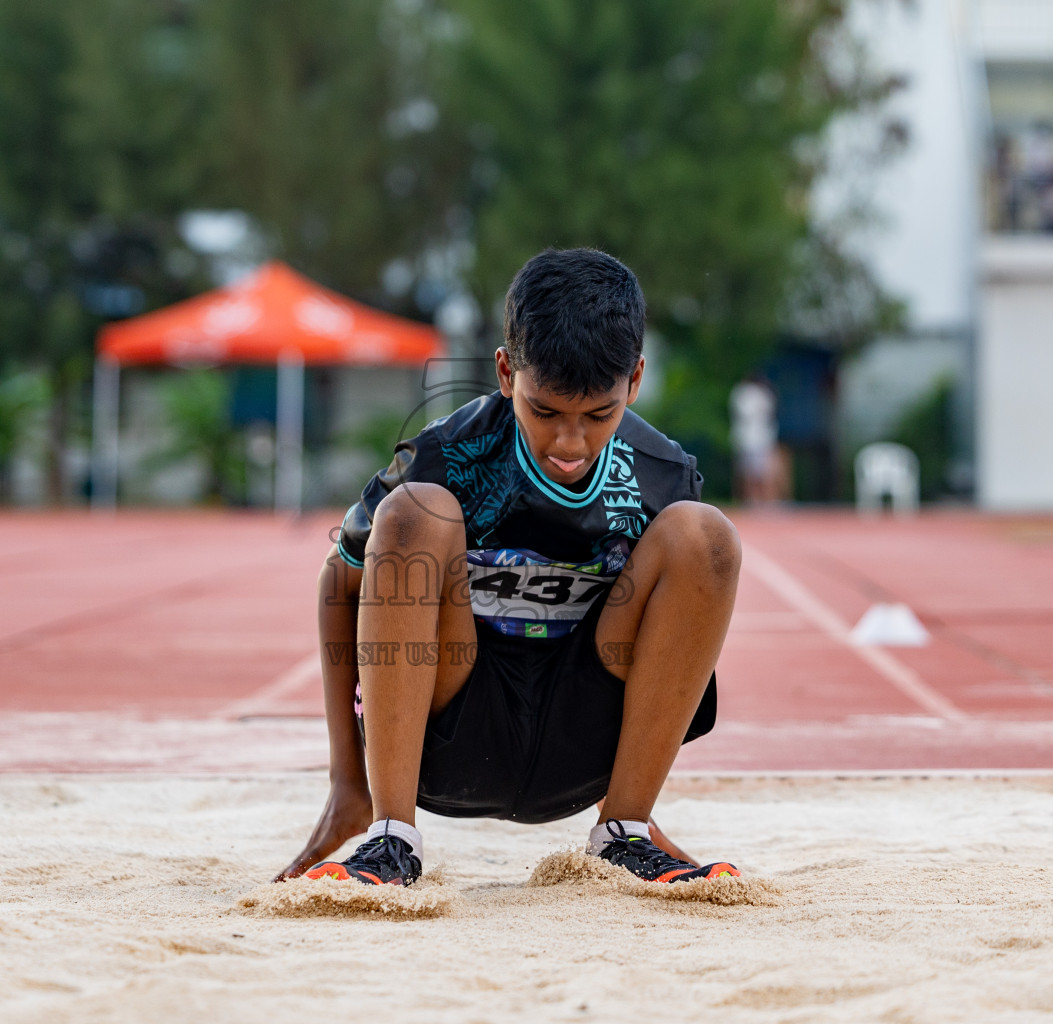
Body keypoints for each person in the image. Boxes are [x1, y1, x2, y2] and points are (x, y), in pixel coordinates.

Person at [277, 248, 742, 887]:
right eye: (544, 411)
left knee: (707, 536)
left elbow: (678, 620)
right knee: (415, 513)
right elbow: (341, 575)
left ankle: (625, 832)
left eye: (598, 415)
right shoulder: (446, 454)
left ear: (633, 382)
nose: (569, 444)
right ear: (505, 373)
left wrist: (625, 801)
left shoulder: (662, 476)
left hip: (582, 747)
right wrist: (346, 782)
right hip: (448, 738)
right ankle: (391, 840)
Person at [730, 376, 779, 504]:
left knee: (761, 472)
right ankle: (751, 499)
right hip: (748, 438)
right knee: (749, 472)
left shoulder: (760, 394)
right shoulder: (745, 393)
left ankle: (763, 500)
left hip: (760, 438)